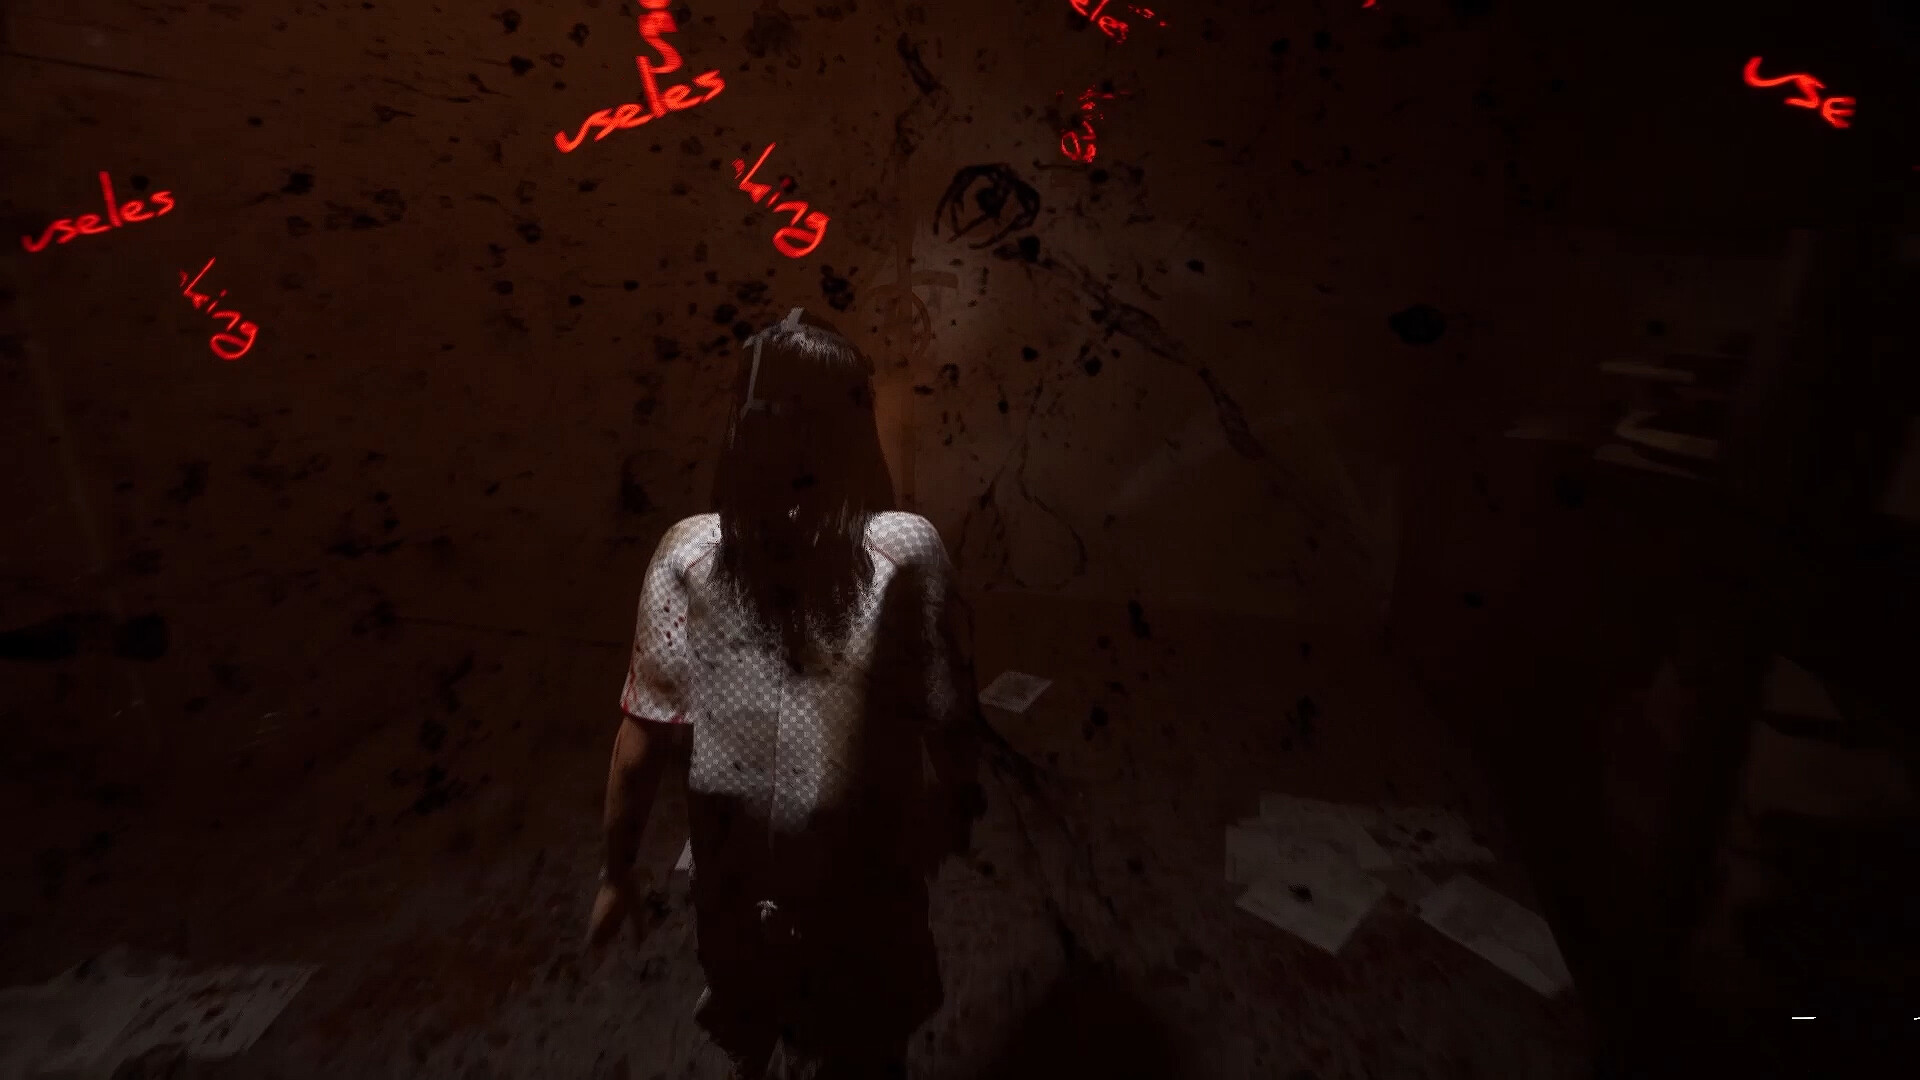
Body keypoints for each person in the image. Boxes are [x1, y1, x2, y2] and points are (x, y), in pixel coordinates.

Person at [588, 308, 986, 1079]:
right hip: (860, 886)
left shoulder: (691, 550)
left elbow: (641, 740)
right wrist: (955, 805)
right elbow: (949, 717)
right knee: (863, 1051)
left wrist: (616, 871)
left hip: (736, 886)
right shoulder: (904, 549)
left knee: (749, 1038)